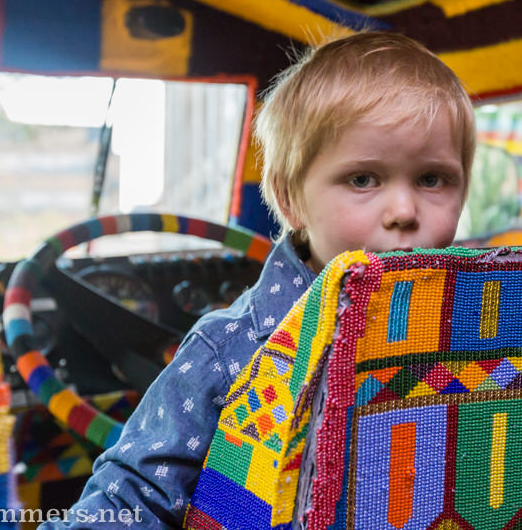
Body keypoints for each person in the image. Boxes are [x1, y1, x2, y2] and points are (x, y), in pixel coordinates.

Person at [40, 31, 476, 529]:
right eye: (363, 179)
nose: (404, 211)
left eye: (432, 179)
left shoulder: (485, 326)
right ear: (291, 200)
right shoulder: (230, 349)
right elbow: (135, 498)